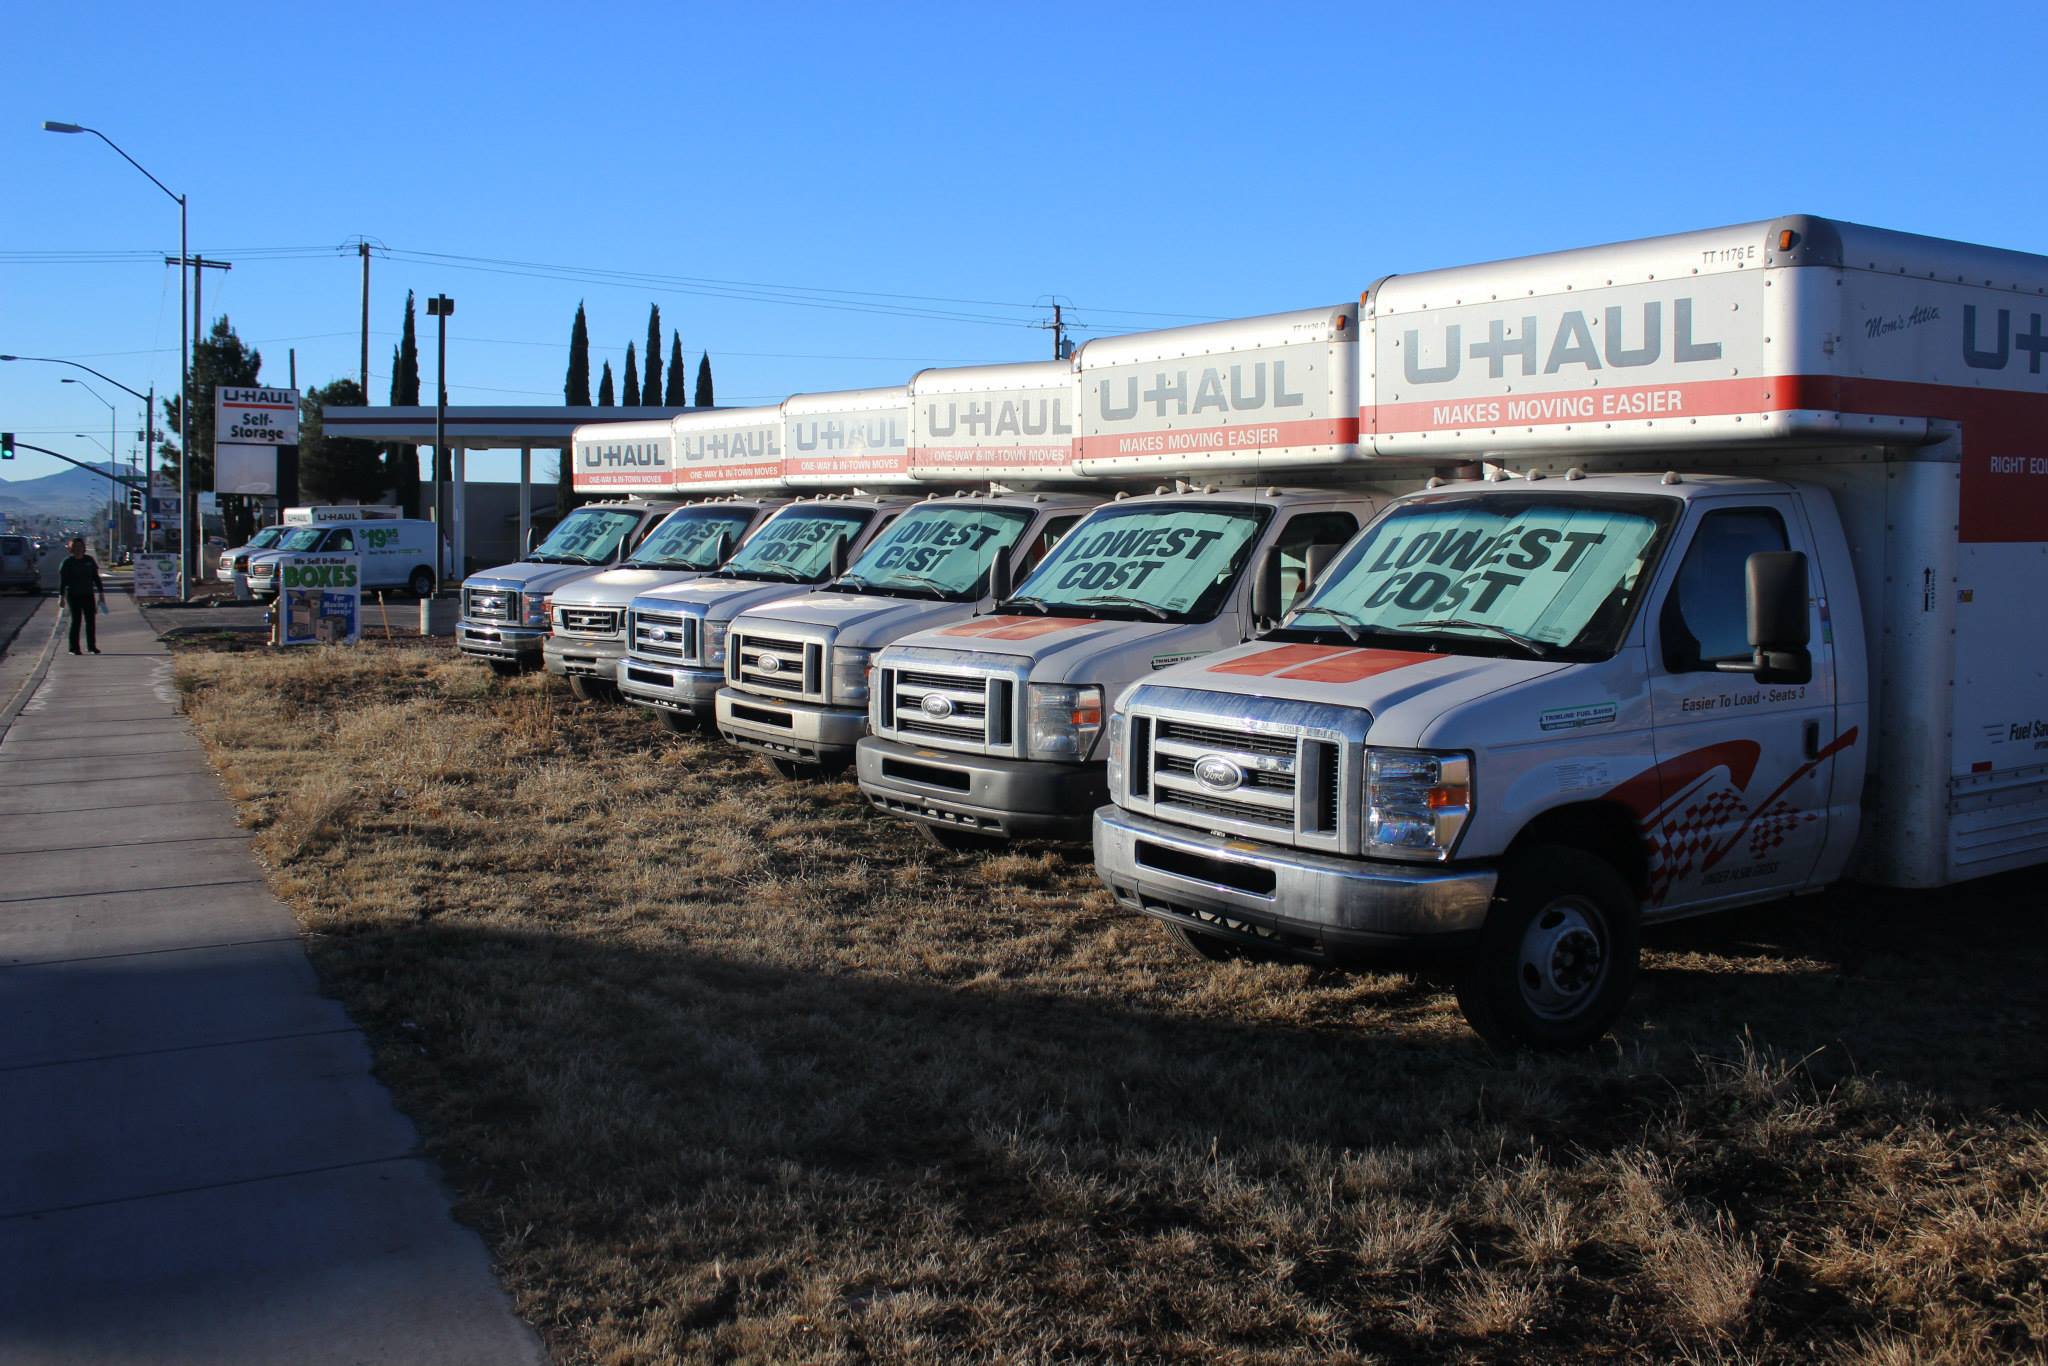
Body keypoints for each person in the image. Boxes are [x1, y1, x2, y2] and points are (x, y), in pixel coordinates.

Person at [59, 537, 109, 655]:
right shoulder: (67, 562)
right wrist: (61, 597)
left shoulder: (89, 560)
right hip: (73, 595)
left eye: (80, 547)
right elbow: (63, 581)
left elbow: (96, 578)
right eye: (75, 547)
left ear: (84, 548)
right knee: (76, 621)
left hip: (88, 594)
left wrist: (101, 593)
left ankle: (91, 647)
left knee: (90, 621)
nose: (78, 549)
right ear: (71, 549)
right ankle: (74, 648)